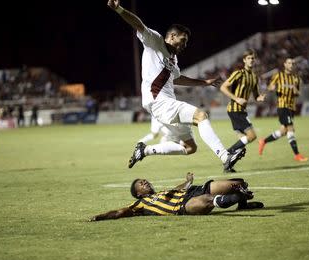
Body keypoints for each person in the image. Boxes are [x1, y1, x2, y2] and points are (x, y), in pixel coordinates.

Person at [107, 0, 245, 173]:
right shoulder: (155, 41)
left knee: (190, 148)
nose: (184, 45)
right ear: (171, 36)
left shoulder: (173, 59)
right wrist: (119, 9)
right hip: (159, 101)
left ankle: (144, 150)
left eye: (186, 43)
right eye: (182, 40)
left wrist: (204, 83)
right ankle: (226, 157)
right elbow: (138, 24)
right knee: (201, 116)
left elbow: (177, 79)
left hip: (163, 105)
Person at [89, 172, 263, 221]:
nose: (146, 183)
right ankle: (234, 198)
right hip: (183, 207)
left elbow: (179, 188)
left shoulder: (161, 192)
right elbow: (118, 213)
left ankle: (242, 201)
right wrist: (100, 216)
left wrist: (187, 181)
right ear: (138, 193)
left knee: (239, 182)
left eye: (145, 180)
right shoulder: (140, 205)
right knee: (210, 201)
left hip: (193, 190)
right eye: (141, 184)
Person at [219, 49, 266, 172]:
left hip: (241, 111)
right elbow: (223, 87)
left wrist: (259, 98)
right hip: (235, 109)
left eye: (253, 58)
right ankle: (227, 153)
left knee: (242, 142)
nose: (251, 60)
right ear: (244, 60)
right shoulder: (238, 73)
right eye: (249, 58)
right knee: (252, 136)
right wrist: (236, 98)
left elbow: (256, 95)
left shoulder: (254, 77)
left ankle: (228, 166)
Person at [258, 57, 308, 162]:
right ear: (285, 64)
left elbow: (298, 93)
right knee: (291, 128)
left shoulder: (296, 78)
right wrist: (268, 91)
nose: (291, 65)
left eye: (293, 63)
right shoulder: (278, 76)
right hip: (282, 106)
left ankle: (263, 141)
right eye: (289, 63)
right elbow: (270, 86)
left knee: (283, 131)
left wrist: (295, 90)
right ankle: (297, 155)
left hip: (291, 108)